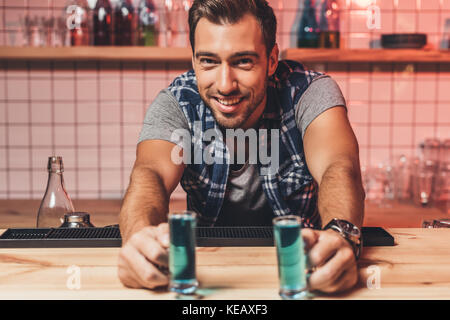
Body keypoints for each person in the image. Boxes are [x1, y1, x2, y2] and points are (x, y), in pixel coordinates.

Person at [118, 0, 365, 294]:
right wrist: (138, 241)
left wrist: (341, 237)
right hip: (207, 278)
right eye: (208, 60)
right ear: (194, 59)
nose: (225, 85)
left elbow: (339, 167)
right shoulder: (176, 103)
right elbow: (150, 175)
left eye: (243, 61)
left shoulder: (309, 92)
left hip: (304, 273)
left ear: (272, 60)